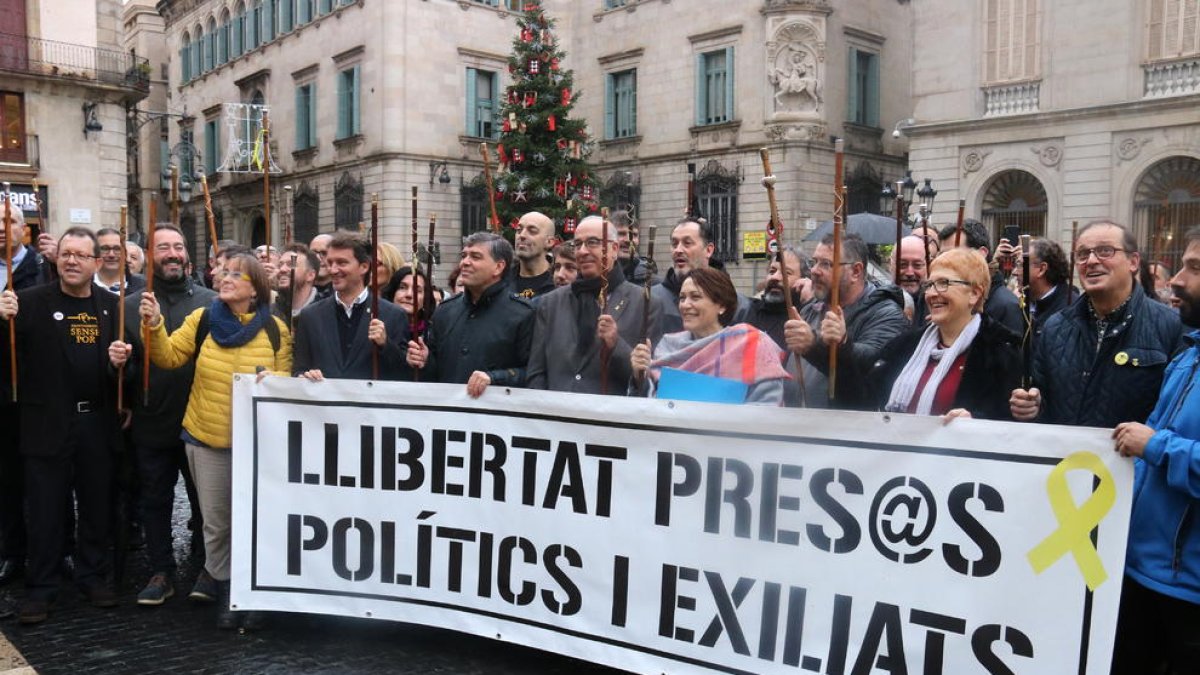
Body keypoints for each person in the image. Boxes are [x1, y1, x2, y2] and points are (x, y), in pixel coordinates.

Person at [140, 251, 292, 630]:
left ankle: (253, 592)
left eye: (236, 274)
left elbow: (287, 383)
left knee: (255, 521)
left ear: (255, 289)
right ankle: (225, 588)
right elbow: (169, 357)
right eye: (223, 272)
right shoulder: (202, 318)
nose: (225, 278)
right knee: (216, 523)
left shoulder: (277, 330)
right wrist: (155, 324)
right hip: (206, 440)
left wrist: (273, 382)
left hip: (256, 446)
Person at [0, 227, 130, 624]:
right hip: (46, 422)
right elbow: (6, 359)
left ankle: (93, 576)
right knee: (45, 510)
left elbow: (129, 365)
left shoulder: (111, 306)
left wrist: (121, 364)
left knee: (96, 506)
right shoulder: (27, 302)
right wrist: (0, 322)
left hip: (96, 423)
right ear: (56, 259)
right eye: (66, 254)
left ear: (97, 263)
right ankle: (42, 587)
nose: (71, 261)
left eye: (80, 255)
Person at [1109, 224, 1200, 674]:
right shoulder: (1189, 355)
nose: (1177, 280)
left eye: (1194, 268)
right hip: (1141, 571)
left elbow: (1156, 445)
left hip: (1188, 592)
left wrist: (1157, 446)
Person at [123, 225, 216, 606]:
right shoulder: (129, 305)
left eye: (178, 246)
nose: (173, 253)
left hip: (201, 422)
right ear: (149, 255)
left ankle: (209, 566)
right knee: (155, 500)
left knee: (206, 502)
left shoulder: (212, 302)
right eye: (163, 247)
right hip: (152, 419)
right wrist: (119, 369)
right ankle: (161, 570)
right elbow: (123, 369)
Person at [1010, 220, 1181, 427]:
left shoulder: (1171, 327)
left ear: (1133, 262)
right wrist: (1032, 407)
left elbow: (1178, 415)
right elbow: (1043, 399)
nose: (1091, 261)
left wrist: (1151, 440)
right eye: (1083, 254)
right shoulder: (1055, 327)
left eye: (1105, 251)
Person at [872, 248, 1021, 420]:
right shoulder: (903, 346)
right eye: (929, 285)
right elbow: (867, 397)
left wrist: (976, 421)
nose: (932, 293)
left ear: (974, 294)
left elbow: (1010, 420)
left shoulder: (1002, 351)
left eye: (943, 283)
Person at [527, 216, 662, 394]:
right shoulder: (551, 303)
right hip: (555, 409)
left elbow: (648, 382)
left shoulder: (645, 303)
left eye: (592, 242)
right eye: (578, 244)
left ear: (614, 249)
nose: (583, 251)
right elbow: (536, 373)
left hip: (611, 410)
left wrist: (616, 344)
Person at [783, 232, 909, 410]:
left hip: (844, 424)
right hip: (795, 421)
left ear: (856, 271)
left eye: (826, 264)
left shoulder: (886, 314)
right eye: (814, 262)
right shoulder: (810, 308)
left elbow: (869, 362)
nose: (814, 271)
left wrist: (817, 345)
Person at [630, 267, 789, 405]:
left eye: (695, 297)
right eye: (682, 298)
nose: (685, 305)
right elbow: (648, 406)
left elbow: (768, 406)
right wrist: (639, 376)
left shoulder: (752, 343)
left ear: (721, 305)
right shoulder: (668, 346)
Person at [407, 232, 533, 396]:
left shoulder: (522, 314)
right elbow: (435, 371)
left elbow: (533, 372)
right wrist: (424, 360)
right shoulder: (445, 311)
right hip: (448, 409)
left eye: (475, 257)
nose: (465, 262)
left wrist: (494, 378)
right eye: (464, 256)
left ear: (498, 267)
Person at [0, 199, 52, 588]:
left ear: (24, 228)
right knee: (7, 477)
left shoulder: (44, 267)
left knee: (48, 476)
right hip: (2, 388)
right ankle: (12, 552)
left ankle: (56, 550)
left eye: (10, 221)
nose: (3, 229)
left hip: (40, 386)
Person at [292, 232, 411, 382]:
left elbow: (405, 373)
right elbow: (299, 369)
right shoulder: (310, 316)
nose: (333, 270)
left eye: (341, 263)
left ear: (364, 267)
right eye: (330, 263)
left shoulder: (393, 315)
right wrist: (305, 375)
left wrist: (385, 344)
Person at [651, 218, 748, 333]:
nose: (678, 250)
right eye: (674, 244)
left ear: (708, 250)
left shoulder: (739, 307)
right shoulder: (650, 300)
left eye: (687, 243)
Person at [938, 219, 1023, 336]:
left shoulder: (1007, 306)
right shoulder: (939, 299)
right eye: (942, 256)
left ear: (981, 254)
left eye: (954, 255)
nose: (945, 262)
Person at [511, 211, 557, 299]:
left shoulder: (559, 283)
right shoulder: (501, 281)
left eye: (532, 231)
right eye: (519, 230)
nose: (522, 235)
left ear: (549, 242)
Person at [273, 244, 320, 327]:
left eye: (291, 264)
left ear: (310, 275)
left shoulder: (325, 312)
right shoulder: (269, 314)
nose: (282, 269)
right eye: (280, 265)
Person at [95, 227, 145, 295]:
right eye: (105, 249)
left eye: (117, 249)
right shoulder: (83, 284)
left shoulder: (143, 287)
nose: (111, 255)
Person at [613, 210, 651, 285]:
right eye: (621, 234)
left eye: (634, 235)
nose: (629, 240)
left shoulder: (651, 282)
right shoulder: (596, 278)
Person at [309, 233, 334, 298]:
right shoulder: (297, 293)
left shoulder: (345, 292)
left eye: (324, 253)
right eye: (313, 253)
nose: (318, 258)